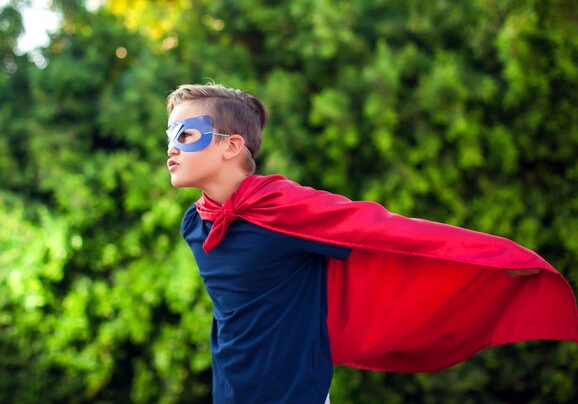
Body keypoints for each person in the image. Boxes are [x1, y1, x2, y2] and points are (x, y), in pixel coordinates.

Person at [166, 84, 578, 404]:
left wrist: (495, 260)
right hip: (230, 393)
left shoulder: (286, 209)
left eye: (186, 134)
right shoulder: (195, 225)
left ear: (231, 145)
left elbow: (387, 233)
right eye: (169, 134)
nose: (171, 147)